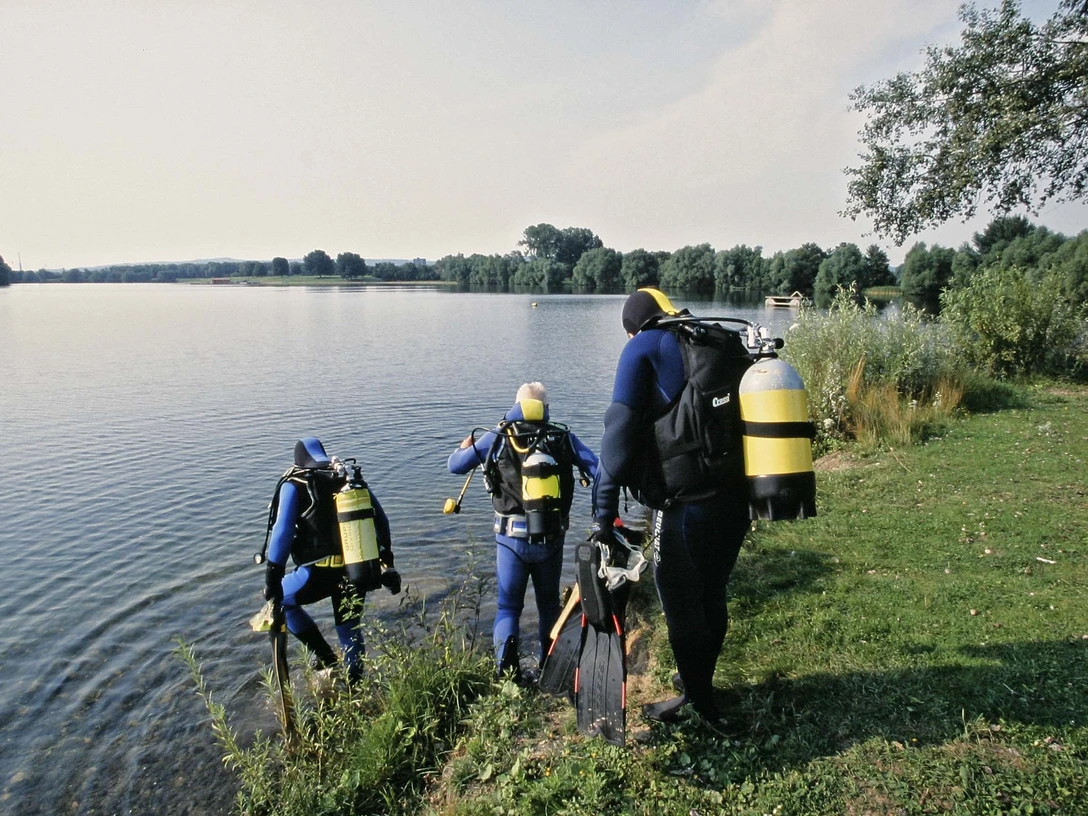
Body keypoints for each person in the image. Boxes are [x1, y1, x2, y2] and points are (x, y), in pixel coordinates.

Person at [591, 289, 752, 724]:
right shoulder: (709, 338)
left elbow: (618, 437)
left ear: (631, 326)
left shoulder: (642, 346)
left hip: (686, 505)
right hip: (736, 498)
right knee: (711, 593)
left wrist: (604, 515)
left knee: (680, 600)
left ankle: (700, 706)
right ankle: (698, 680)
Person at [447, 382, 598, 679]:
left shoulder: (499, 436)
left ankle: (507, 677)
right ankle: (549, 669)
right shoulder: (562, 436)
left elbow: (454, 466)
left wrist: (464, 447)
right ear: (545, 408)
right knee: (548, 605)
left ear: (516, 405)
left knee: (507, 608)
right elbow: (598, 469)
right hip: (551, 538)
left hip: (510, 540)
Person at [262, 437, 400, 683]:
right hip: (357, 568)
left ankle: (326, 658)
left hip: (317, 573)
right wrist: (387, 562)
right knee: (349, 628)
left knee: (282, 601)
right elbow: (382, 521)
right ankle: (355, 685)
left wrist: (273, 577)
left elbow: (282, 533)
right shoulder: (349, 479)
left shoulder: (294, 484)